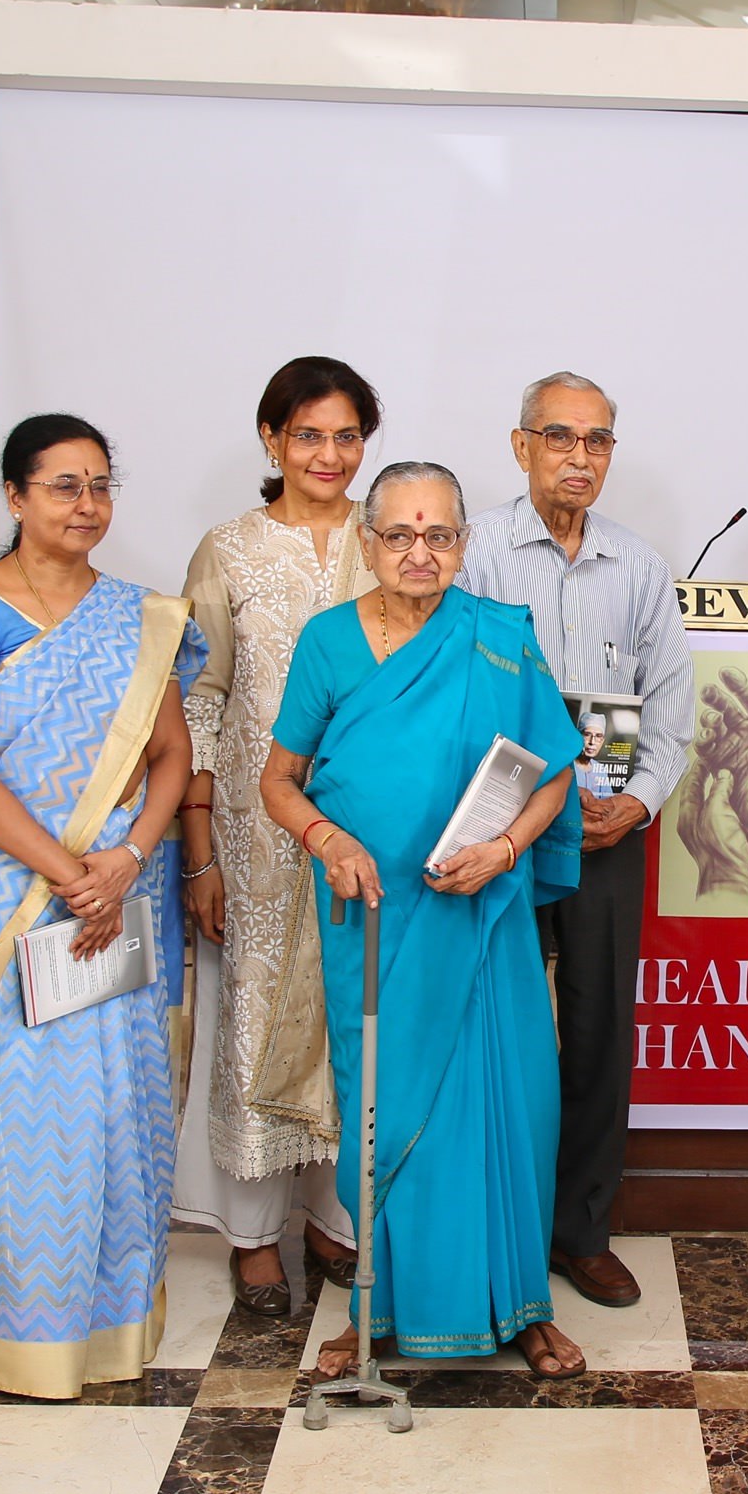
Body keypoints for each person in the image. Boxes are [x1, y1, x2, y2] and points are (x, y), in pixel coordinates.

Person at [263, 462, 589, 1377]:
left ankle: (521, 1304)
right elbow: (277, 781)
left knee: (510, 1102)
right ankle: (383, 1306)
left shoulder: (497, 638)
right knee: (386, 1105)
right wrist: (327, 839)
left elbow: (551, 764)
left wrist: (510, 849)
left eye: (439, 535)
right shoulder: (328, 642)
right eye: (399, 535)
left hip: (483, 912)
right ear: (369, 543)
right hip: (372, 918)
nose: (419, 552)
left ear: (462, 544)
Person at [0, 415, 207, 1397]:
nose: (86, 505)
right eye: (62, 486)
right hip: (7, 893)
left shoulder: (140, 613)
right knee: (24, 1104)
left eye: (99, 486)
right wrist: (69, 870)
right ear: (14, 496)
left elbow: (172, 754)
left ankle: (115, 1323)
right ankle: (27, 1330)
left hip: (119, 887)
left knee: (119, 1098)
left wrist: (125, 856)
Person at [460, 372, 694, 1310]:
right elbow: (456, 697)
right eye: (560, 438)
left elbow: (672, 703)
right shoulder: (472, 553)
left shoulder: (637, 566)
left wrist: (636, 803)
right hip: (500, 836)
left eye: (598, 441)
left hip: (602, 834)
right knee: (499, 1028)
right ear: (521, 447)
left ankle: (581, 1230)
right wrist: (511, 817)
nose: (581, 458)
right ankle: (496, 1223)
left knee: (598, 1034)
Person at [175, 357, 379, 1316]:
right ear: (272, 440)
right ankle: (252, 1236)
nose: (329, 455)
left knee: (355, 1021)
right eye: (309, 435)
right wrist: (202, 848)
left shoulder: (394, 543)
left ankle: (334, 1224)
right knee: (252, 1025)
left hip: (371, 840)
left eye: (346, 437)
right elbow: (203, 703)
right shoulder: (229, 550)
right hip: (258, 849)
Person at [573, 711, 620, 798]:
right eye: (587, 735)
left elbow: (607, 803)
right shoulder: (566, 766)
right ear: (578, 736)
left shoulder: (600, 769)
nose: (592, 742)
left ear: (602, 741)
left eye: (598, 736)